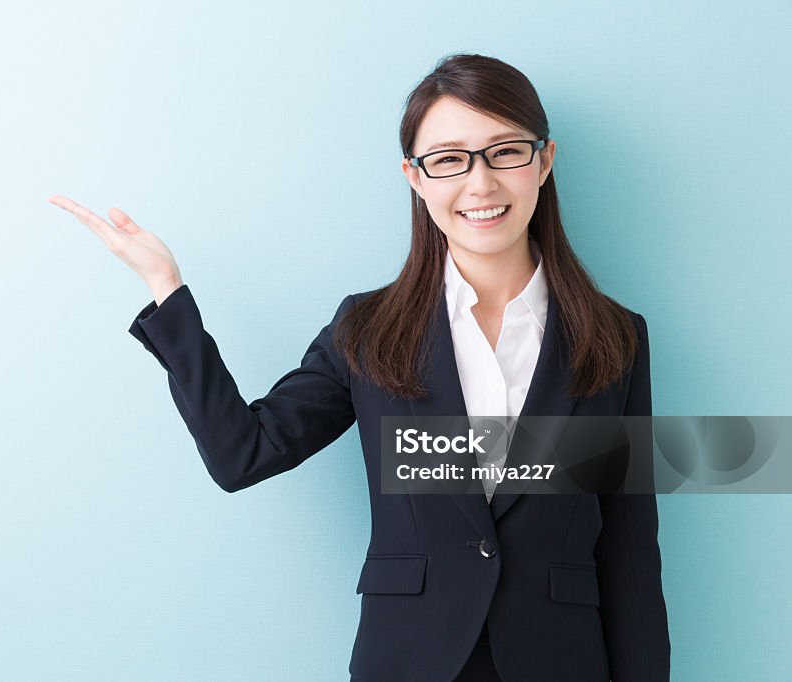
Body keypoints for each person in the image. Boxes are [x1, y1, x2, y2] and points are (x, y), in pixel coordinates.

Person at [49, 52, 670, 682]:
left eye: (505, 151)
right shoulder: (369, 331)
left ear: (544, 160)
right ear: (414, 176)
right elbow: (243, 455)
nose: (480, 184)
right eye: (449, 159)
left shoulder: (616, 337)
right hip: (409, 660)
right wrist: (167, 290)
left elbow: (629, 554)